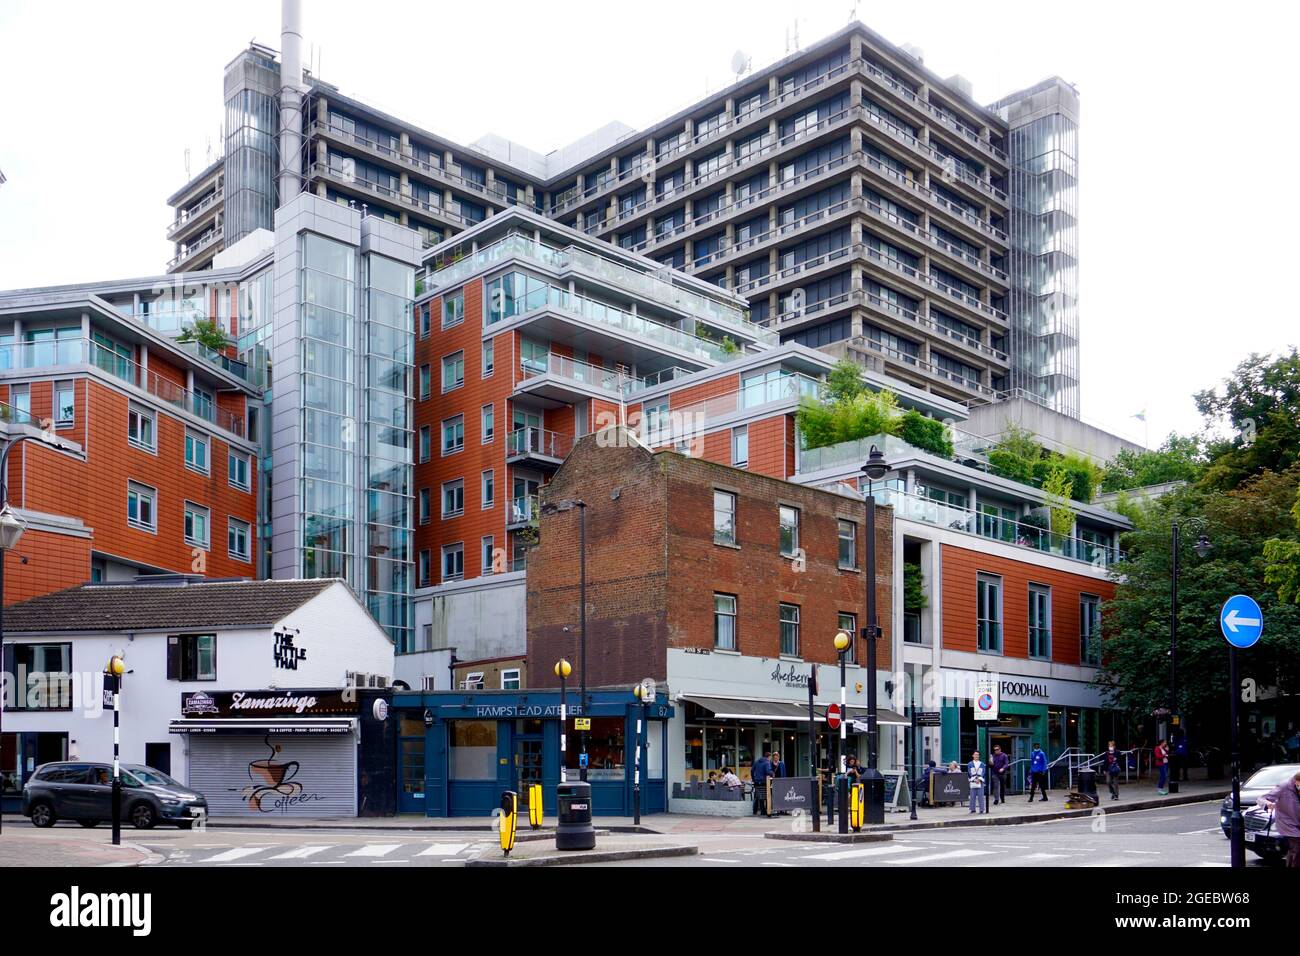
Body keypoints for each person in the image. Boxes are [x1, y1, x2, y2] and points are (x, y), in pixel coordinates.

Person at [1257, 769, 1300, 868]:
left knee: (1294, 850)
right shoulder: (1283, 787)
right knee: (1297, 847)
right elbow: (1261, 798)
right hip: (1288, 823)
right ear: (1295, 781)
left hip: (1297, 821)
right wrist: (1268, 804)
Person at [751, 752, 773, 816]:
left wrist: (753, 779)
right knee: (766, 796)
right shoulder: (767, 762)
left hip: (757, 782)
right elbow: (768, 771)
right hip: (764, 782)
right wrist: (773, 773)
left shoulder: (757, 762)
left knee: (758, 796)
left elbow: (752, 770)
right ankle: (765, 811)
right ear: (769, 757)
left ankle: (756, 811)